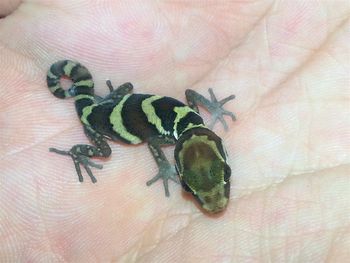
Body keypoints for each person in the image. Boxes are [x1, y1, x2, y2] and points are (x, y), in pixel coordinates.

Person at [0, 1, 349, 261]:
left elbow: (182, 107)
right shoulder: (171, 135)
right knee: (105, 152)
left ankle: (90, 96)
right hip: (99, 121)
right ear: (219, 158)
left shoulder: (185, 124)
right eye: (203, 189)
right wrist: (164, 164)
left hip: (115, 105)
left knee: (127, 95)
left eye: (198, 189)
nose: (213, 198)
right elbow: (153, 138)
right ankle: (82, 137)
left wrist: (207, 109)